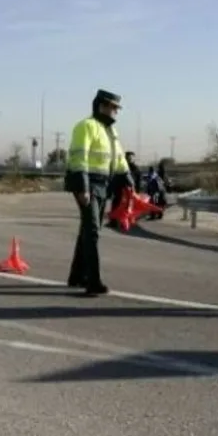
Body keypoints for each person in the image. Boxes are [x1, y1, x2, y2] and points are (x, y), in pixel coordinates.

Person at [65, 89, 136, 296]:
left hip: (104, 185)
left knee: (88, 230)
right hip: (88, 183)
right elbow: (79, 158)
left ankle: (77, 276)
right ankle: (92, 280)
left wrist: (127, 178)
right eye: (113, 107)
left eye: (117, 108)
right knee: (92, 230)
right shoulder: (86, 126)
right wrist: (83, 187)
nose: (116, 112)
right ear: (101, 106)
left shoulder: (110, 131)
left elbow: (119, 158)